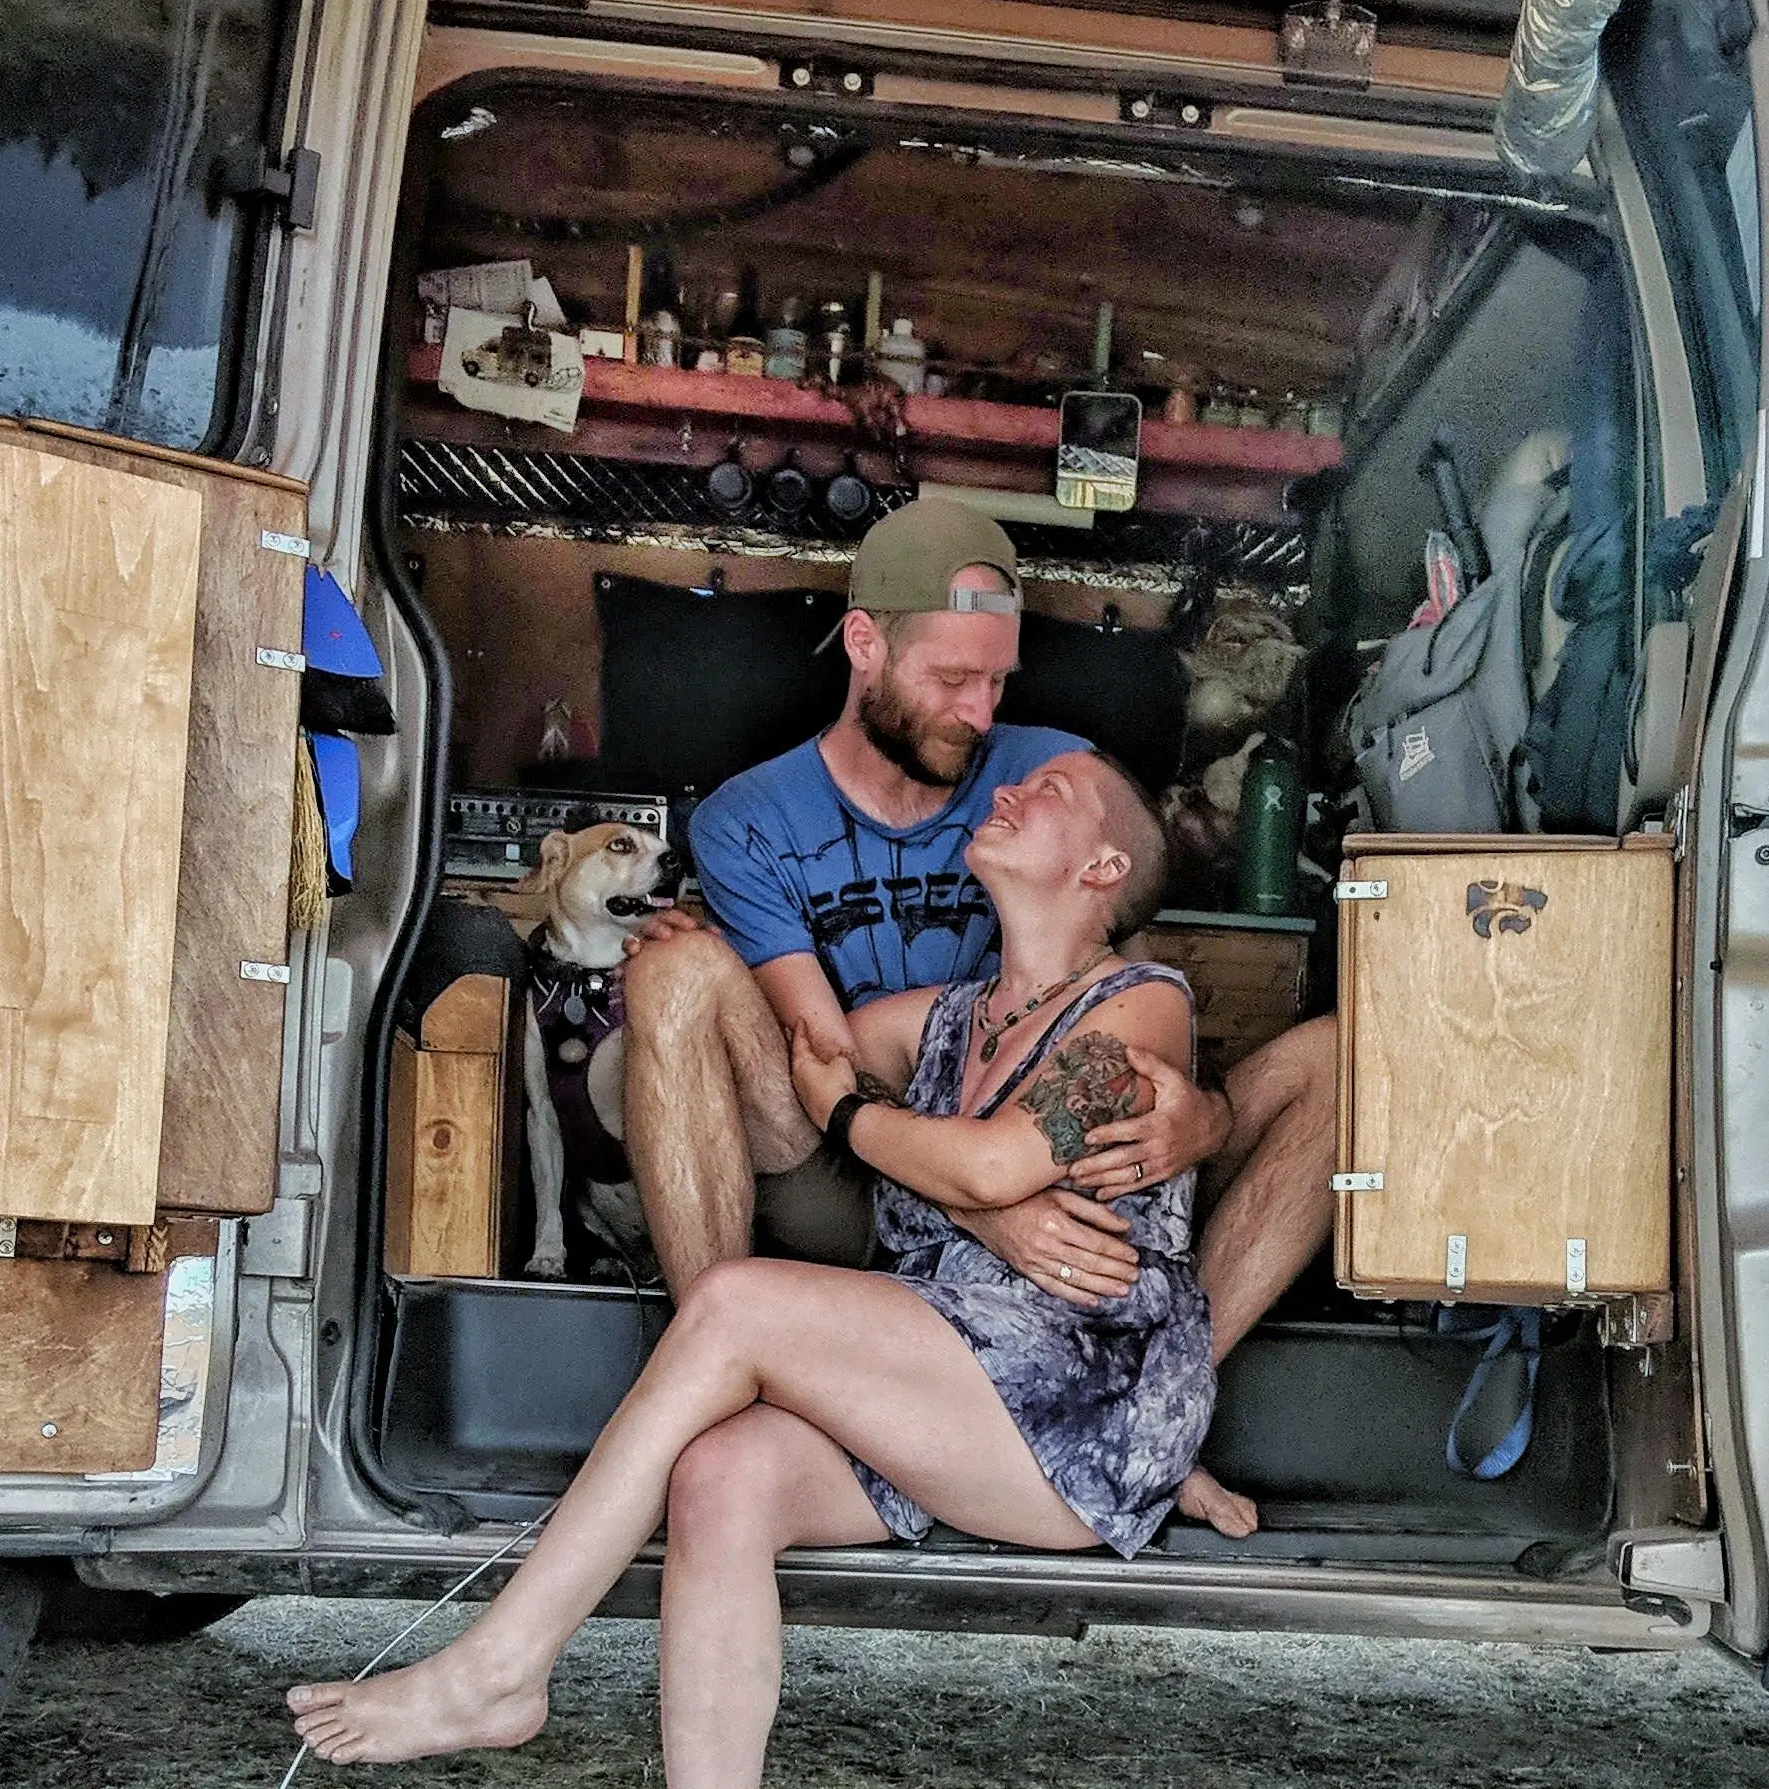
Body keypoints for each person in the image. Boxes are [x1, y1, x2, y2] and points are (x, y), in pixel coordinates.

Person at [288, 750, 1212, 1784]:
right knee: (719, 1477)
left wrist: (859, 1115)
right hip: (961, 1393)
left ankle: (499, 1668)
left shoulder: (1141, 1004)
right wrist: (692, 961)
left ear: (1101, 868)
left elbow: (997, 1164)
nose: (1008, 789)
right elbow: (794, 1065)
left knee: (735, 1304)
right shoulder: (947, 1018)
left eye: (1048, 793)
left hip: (1085, 1413)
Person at [620, 497, 1338, 1537]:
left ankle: (1139, 1425)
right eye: (952, 679)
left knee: (1334, 1062)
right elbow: (827, 1059)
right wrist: (977, 1200)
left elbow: (1123, 996)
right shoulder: (749, 818)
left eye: (996, 680)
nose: (980, 714)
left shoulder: (1054, 779)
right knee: (672, 978)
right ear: (865, 644)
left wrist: (1206, 1119)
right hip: (858, 1158)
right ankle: (711, 1401)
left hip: (1042, 1156)